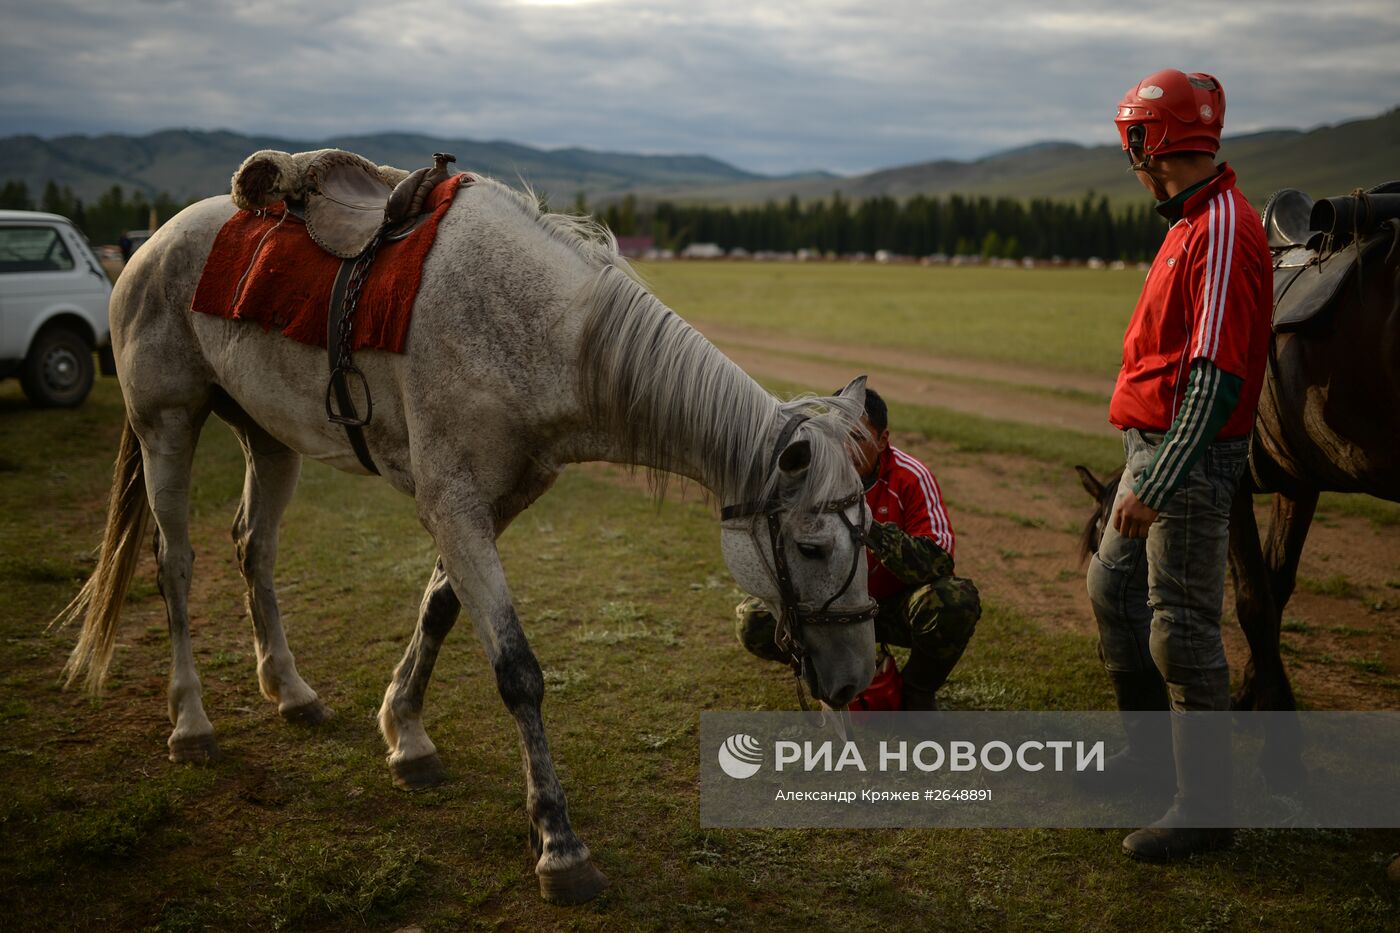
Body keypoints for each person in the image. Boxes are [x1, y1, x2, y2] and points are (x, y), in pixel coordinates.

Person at [1085, 69, 1272, 860]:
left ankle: (1205, 808)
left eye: (1131, 138)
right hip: (1154, 447)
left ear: (1147, 141)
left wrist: (1157, 484)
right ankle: (1148, 756)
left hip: (1187, 461)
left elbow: (1215, 373)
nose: (1128, 155)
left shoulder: (1223, 225)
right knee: (1112, 586)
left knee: (1181, 625)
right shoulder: (1191, 222)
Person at [736, 387, 981, 710]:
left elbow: (937, 561)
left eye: (857, 438)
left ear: (882, 440)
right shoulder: (807, 476)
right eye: (837, 437)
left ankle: (918, 688)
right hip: (830, 607)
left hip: (892, 607)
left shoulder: (910, 476)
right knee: (754, 619)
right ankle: (828, 669)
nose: (845, 450)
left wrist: (869, 529)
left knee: (954, 600)